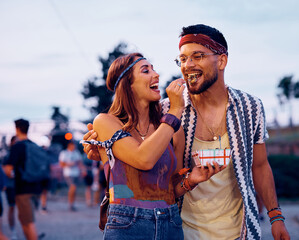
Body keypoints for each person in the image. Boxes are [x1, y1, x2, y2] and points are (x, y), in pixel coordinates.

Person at [83, 24, 290, 240]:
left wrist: (275, 216)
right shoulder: (167, 111)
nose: (187, 65)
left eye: (197, 56)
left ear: (221, 61)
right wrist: (103, 149)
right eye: (182, 59)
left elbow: (260, 165)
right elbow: (140, 155)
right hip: (183, 230)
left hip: (239, 231)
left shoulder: (250, 107)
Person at [82, 52, 224, 239]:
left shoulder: (173, 130)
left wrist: (192, 179)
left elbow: (171, 188)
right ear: (128, 84)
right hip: (127, 224)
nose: (156, 75)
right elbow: (144, 159)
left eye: (154, 69)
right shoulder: (105, 122)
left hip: (170, 222)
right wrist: (175, 110)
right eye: (146, 70)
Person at [2, 119, 42, 240]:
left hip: (22, 189)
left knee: (28, 222)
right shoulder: (34, 145)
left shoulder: (17, 146)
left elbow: (8, 170)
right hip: (36, 187)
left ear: (17, 129)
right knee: (26, 219)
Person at [58, 141, 83, 211]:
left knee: (74, 189)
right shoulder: (64, 153)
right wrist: (68, 164)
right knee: (73, 187)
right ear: (69, 145)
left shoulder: (76, 153)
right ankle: (70, 203)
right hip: (68, 173)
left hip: (76, 173)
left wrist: (83, 170)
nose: (74, 147)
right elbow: (61, 164)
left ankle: (72, 204)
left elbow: (80, 162)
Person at [3, 136, 17, 239]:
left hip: (20, 185)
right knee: (11, 207)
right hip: (11, 185)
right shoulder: (8, 156)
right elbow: (5, 170)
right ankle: (13, 231)